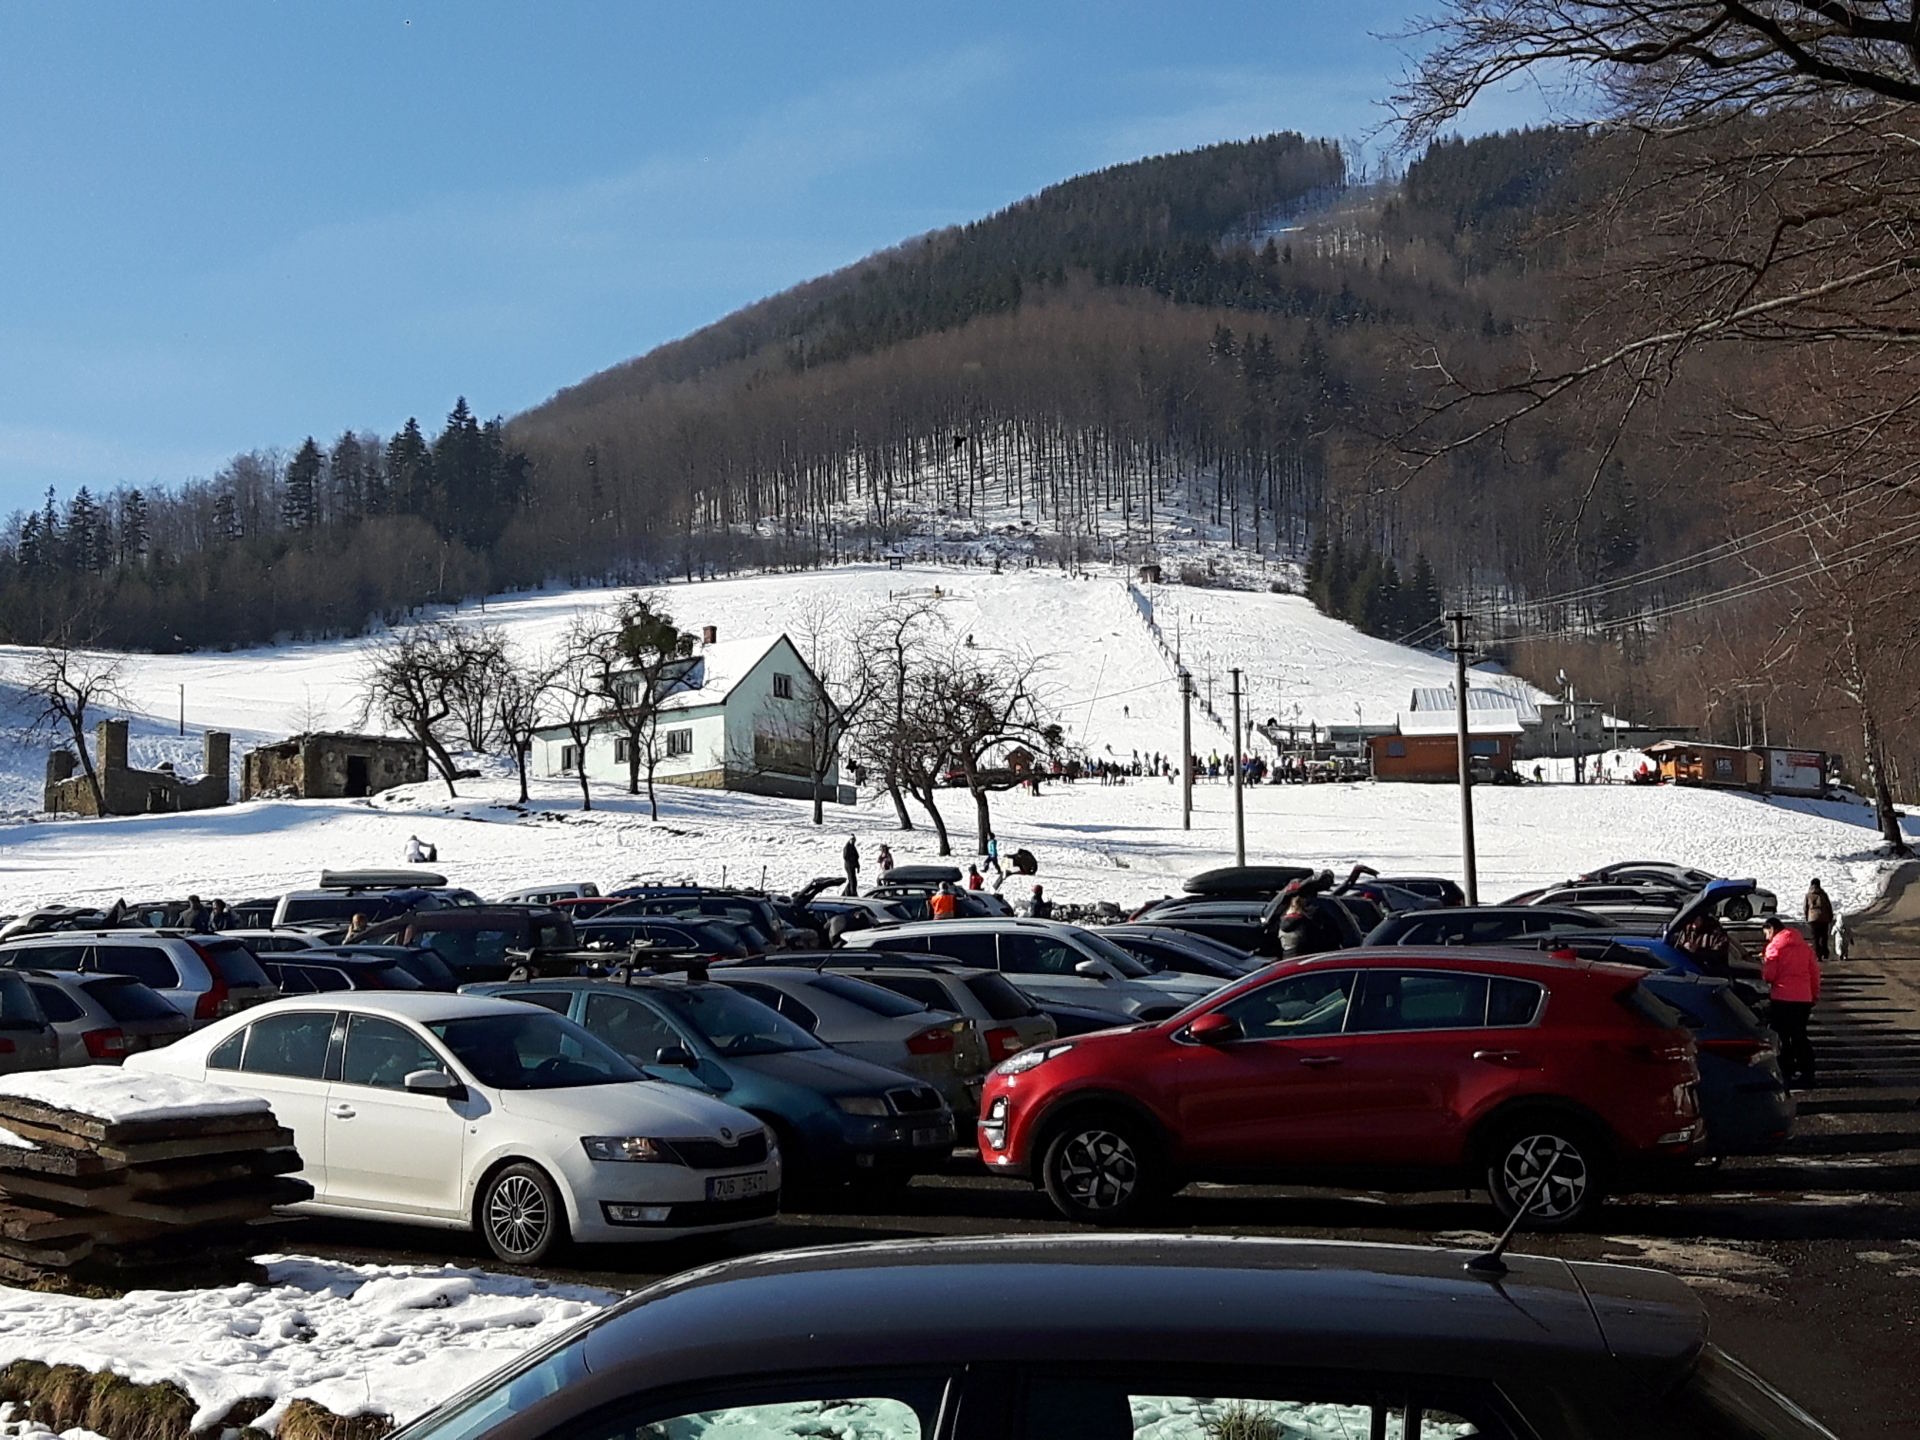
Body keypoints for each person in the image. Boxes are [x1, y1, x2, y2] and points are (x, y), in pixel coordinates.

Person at [1761, 916, 1822, 1087]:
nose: (1766, 938)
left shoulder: (1774, 947)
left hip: (1782, 998)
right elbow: (1814, 974)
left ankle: (1786, 1072)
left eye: (1766, 934)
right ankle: (1808, 1073)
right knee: (1800, 1036)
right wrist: (1814, 995)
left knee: (1782, 1036)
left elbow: (1769, 976)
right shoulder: (1804, 947)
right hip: (1803, 999)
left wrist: (1764, 965)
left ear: (1772, 929)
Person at [1672, 909, 1732, 977]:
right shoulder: (1687, 929)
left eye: (1697, 919)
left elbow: (1718, 956)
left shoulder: (1716, 933)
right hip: (1688, 971)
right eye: (1692, 919)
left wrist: (1698, 950)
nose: (1694, 923)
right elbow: (1677, 949)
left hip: (1711, 975)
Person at [1805, 878, 1835, 962]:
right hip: (1824, 918)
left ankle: (1818, 955)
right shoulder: (1823, 894)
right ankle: (1825, 953)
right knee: (1824, 937)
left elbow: (1805, 907)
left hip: (1813, 919)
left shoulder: (1808, 895)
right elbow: (1828, 906)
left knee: (1816, 938)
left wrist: (1807, 917)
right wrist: (1830, 916)